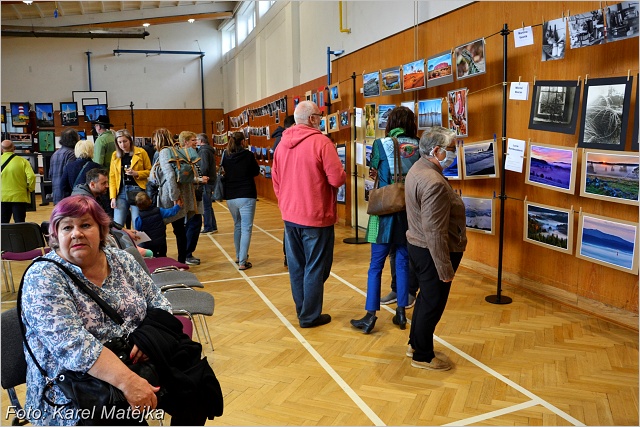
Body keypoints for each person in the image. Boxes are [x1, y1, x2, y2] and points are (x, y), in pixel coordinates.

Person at [19, 195, 172, 426]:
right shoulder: (43, 276)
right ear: (56, 235)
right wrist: (129, 382)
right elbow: (73, 346)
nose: (76, 233)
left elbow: (160, 304)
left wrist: (148, 338)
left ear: (102, 231)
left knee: (197, 386)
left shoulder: (122, 260)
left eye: (85, 225)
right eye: (67, 227)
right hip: (71, 397)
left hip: (131, 371)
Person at [272, 101, 346, 328]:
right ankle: (310, 316)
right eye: (319, 116)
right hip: (315, 215)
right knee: (316, 266)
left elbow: (276, 181)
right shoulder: (321, 142)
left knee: (297, 266)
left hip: (290, 215)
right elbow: (337, 179)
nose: (321, 119)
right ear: (312, 119)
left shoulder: (282, 144)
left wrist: (286, 203)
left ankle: (303, 309)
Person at [350, 106, 420, 334]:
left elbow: (374, 169)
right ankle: (401, 312)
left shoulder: (381, 143)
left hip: (384, 213)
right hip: (408, 212)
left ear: (391, 123)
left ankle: (370, 315)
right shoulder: (419, 145)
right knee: (402, 263)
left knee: (375, 266)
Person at [405, 126, 467, 371]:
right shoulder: (434, 183)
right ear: (436, 150)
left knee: (425, 301)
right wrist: (445, 269)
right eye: (450, 149)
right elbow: (435, 231)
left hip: (418, 247)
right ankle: (423, 356)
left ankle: (415, 344)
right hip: (432, 252)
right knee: (432, 305)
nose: (453, 153)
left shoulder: (418, 168)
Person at [149, 128, 198, 264]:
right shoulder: (178, 149)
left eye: (155, 140)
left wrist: (174, 196)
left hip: (170, 196)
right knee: (180, 230)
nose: (154, 143)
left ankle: (164, 260)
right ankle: (182, 261)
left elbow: (170, 175)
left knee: (161, 230)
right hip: (181, 194)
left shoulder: (164, 152)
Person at [221, 131, 260, 271]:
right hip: (246, 194)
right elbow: (256, 171)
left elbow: (224, 172)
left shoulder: (226, 155)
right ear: (243, 142)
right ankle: (242, 261)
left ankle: (239, 256)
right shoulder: (248, 155)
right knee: (246, 228)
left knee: (237, 225)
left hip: (231, 196)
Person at [109, 128, 151, 228]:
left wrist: (136, 173)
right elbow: (112, 177)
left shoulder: (141, 152)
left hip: (137, 191)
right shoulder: (115, 155)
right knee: (117, 224)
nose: (122, 145)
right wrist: (113, 197)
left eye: (125, 141)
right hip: (121, 192)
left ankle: (138, 239)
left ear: (130, 141)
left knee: (137, 224)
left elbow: (150, 171)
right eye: (119, 142)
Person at [179, 131, 209, 265]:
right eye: (193, 140)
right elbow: (184, 176)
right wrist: (199, 179)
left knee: (194, 223)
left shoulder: (192, 155)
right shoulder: (183, 157)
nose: (196, 142)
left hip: (196, 194)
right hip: (189, 196)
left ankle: (187, 253)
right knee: (194, 223)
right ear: (185, 142)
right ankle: (187, 254)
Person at [271, 114, 296, 267]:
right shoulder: (283, 141)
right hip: (290, 192)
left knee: (290, 228)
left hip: (287, 193)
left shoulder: (279, 141)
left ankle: (289, 256)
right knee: (290, 229)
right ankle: (289, 256)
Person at [134, 191, 182, 257]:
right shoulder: (159, 211)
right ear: (150, 200)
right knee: (163, 256)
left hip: (148, 243)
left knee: (151, 258)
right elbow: (171, 212)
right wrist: (177, 206)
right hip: (161, 241)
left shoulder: (140, 218)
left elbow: (137, 229)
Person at [1, 139, 36, 223]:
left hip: (2, 197)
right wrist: (30, 188)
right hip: (19, 196)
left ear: (1, 149)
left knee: (2, 223)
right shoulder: (23, 161)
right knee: (20, 222)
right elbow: (32, 176)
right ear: (14, 148)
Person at [196, 133, 219, 234]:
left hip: (206, 181)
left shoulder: (204, 151)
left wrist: (200, 177)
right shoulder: (207, 150)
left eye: (196, 140)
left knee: (205, 205)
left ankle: (208, 227)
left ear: (201, 141)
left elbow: (204, 167)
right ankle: (212, 226)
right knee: (208, 205)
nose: (195, 142)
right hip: (210, 181)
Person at [49, 128, 79, 204]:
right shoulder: (72, 154)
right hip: (68, 195)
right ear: (74, 139)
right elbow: (71, 176)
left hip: (56, 195)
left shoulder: (55, 154)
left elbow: (50, 175)